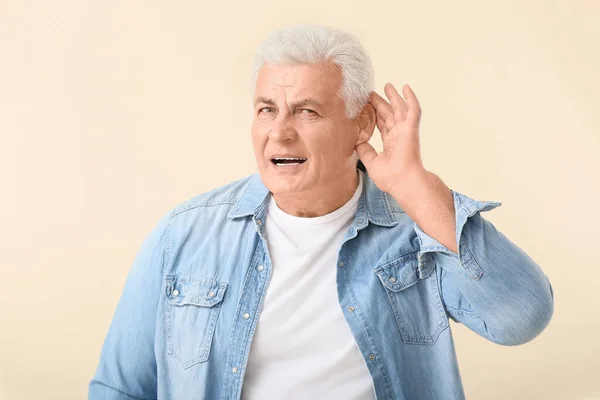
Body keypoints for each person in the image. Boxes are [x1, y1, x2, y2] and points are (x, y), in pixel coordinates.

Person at [88, 24, 554, 400]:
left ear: (361, 124)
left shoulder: (418, 230)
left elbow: (521, 318)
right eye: (267, 109)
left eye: (307, 111)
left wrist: (416, 186)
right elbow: (120, 389)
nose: (281, 133)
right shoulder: (184, 234)